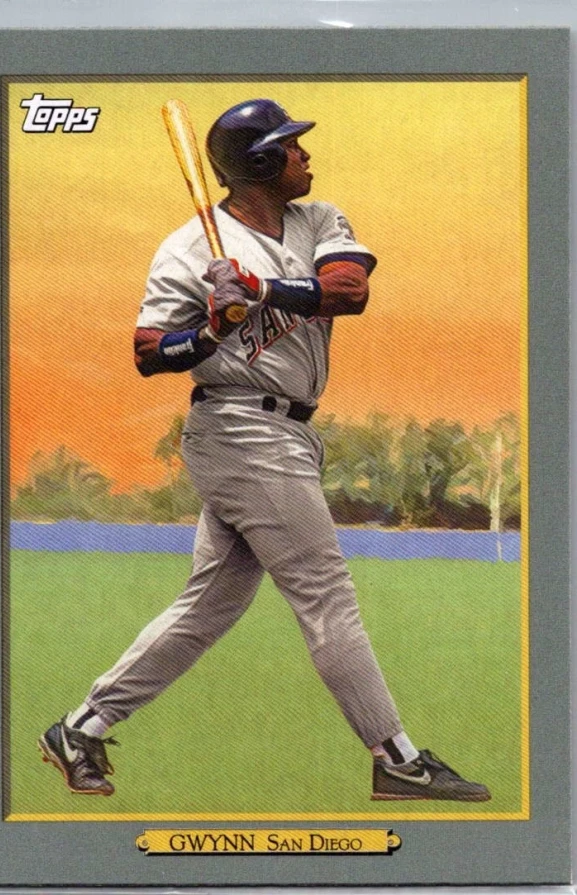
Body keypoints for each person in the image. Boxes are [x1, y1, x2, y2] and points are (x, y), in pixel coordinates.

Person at [38, 99, 490, 803]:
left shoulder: (318, 219)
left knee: (211, 603)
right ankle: (396, 758)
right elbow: (149, 352)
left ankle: (81, 727)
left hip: (288, 431)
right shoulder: (186, 249)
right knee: (324, 591)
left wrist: (258, 290)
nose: (304, 155)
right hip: (239, 427)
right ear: (260, 162)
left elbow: (348, 291)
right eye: (290, 146)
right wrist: (210, 332)